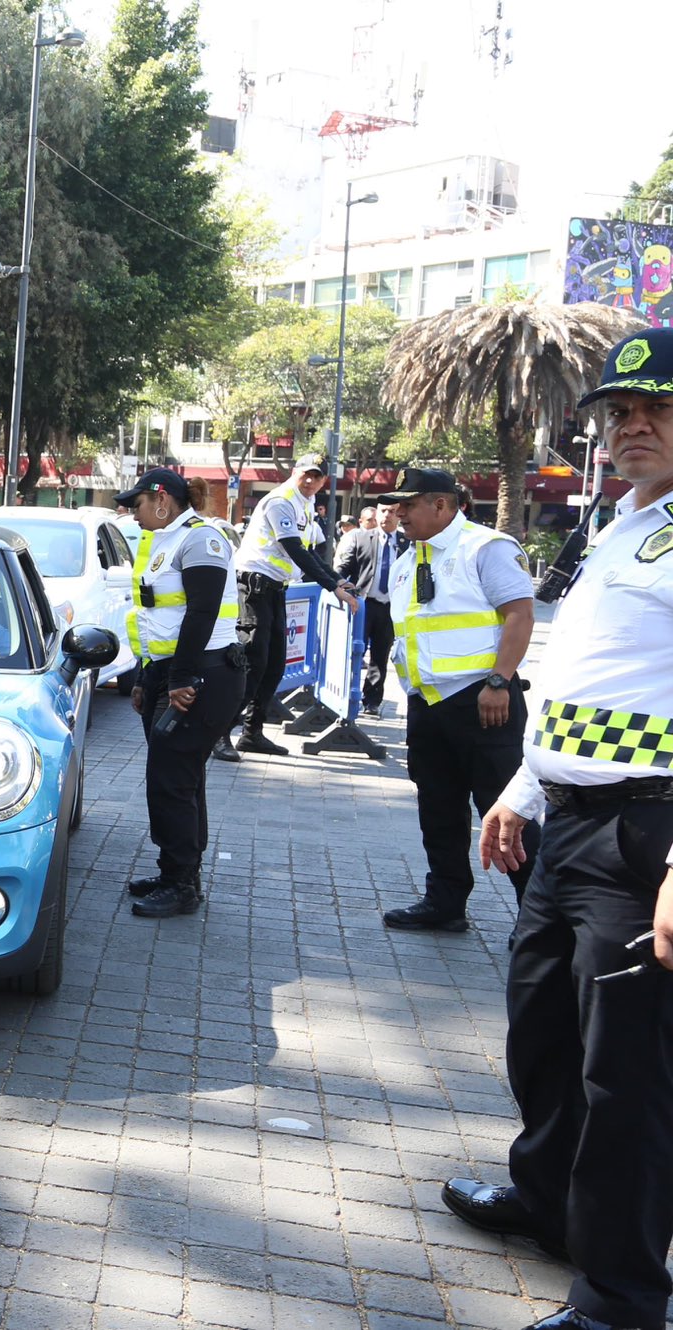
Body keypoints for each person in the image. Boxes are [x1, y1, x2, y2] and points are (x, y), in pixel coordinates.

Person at [450, 330, 673, 1330]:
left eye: (656, 407)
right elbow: (582, 679)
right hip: (566, 826)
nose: (631, 426)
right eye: (619, 411)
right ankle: (546, 1203)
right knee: (539, 1028)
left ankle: (618, 1303)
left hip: (646, 836)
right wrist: (521, 791)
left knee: (625, 1080)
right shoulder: (624, 522)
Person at [372, 467, 539, 932]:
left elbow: (520, 616)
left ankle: (539, 919)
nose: (397, 512)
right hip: (428, 705)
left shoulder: (486, 548)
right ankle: (445, 902)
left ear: (442, 504)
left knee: (505, 813)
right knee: (438, 810)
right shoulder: (410, 557)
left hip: (484, 701)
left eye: (408, 504)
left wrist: (500, 682)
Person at [117, 470, 246, 920]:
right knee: (180, 780)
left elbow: (203, 611)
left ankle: (180, 884)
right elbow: (156, 621)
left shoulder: (201, 539)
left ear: (162, 500)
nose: (132, 516)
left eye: (136, 506)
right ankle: (179, 873)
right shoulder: (162, 541)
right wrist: (144, 679)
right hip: (173, 672)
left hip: (204, 674)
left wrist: (181, 680)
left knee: (171, 781)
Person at [231, 455, 359, 755]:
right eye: (307, 475)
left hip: (276, 588)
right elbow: (295, 550)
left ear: (324, 480)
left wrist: (337, 580)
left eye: (317, 477)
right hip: (254, 586)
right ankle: (219, 733)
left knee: (275, 667)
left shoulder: (306, 503)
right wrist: (333, 587)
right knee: (253, 664)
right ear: (295, 473)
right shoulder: (281, 501)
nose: (311, 481)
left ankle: (252, 733)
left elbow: (310, 553)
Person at [337, 504, 406, 716]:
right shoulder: (362, 538)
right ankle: (345, 694)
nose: (387, 515)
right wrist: (337, 582)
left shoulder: (407, 543)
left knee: (380, 655)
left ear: (399, 515)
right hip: (363, 604)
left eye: (393, 511)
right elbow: (344, 567)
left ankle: (372, 701)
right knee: (352, 651)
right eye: (383, 510)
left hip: (390, 608)